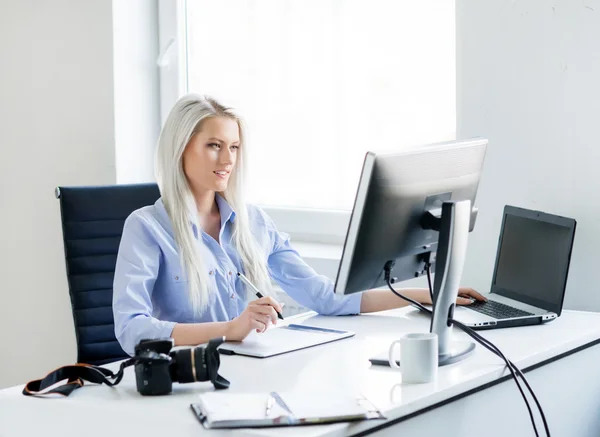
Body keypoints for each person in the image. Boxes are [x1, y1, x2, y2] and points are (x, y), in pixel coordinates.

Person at [112, 94, 486, 356]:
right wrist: (230, 328)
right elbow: (132, 332)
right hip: (180, 380)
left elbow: (325, 297)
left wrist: (431, 295)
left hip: (245, 375)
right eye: (214, 145)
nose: (227, 159)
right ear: (181, 149)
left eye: (235, 147)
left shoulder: (253, 223)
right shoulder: (146, 228)